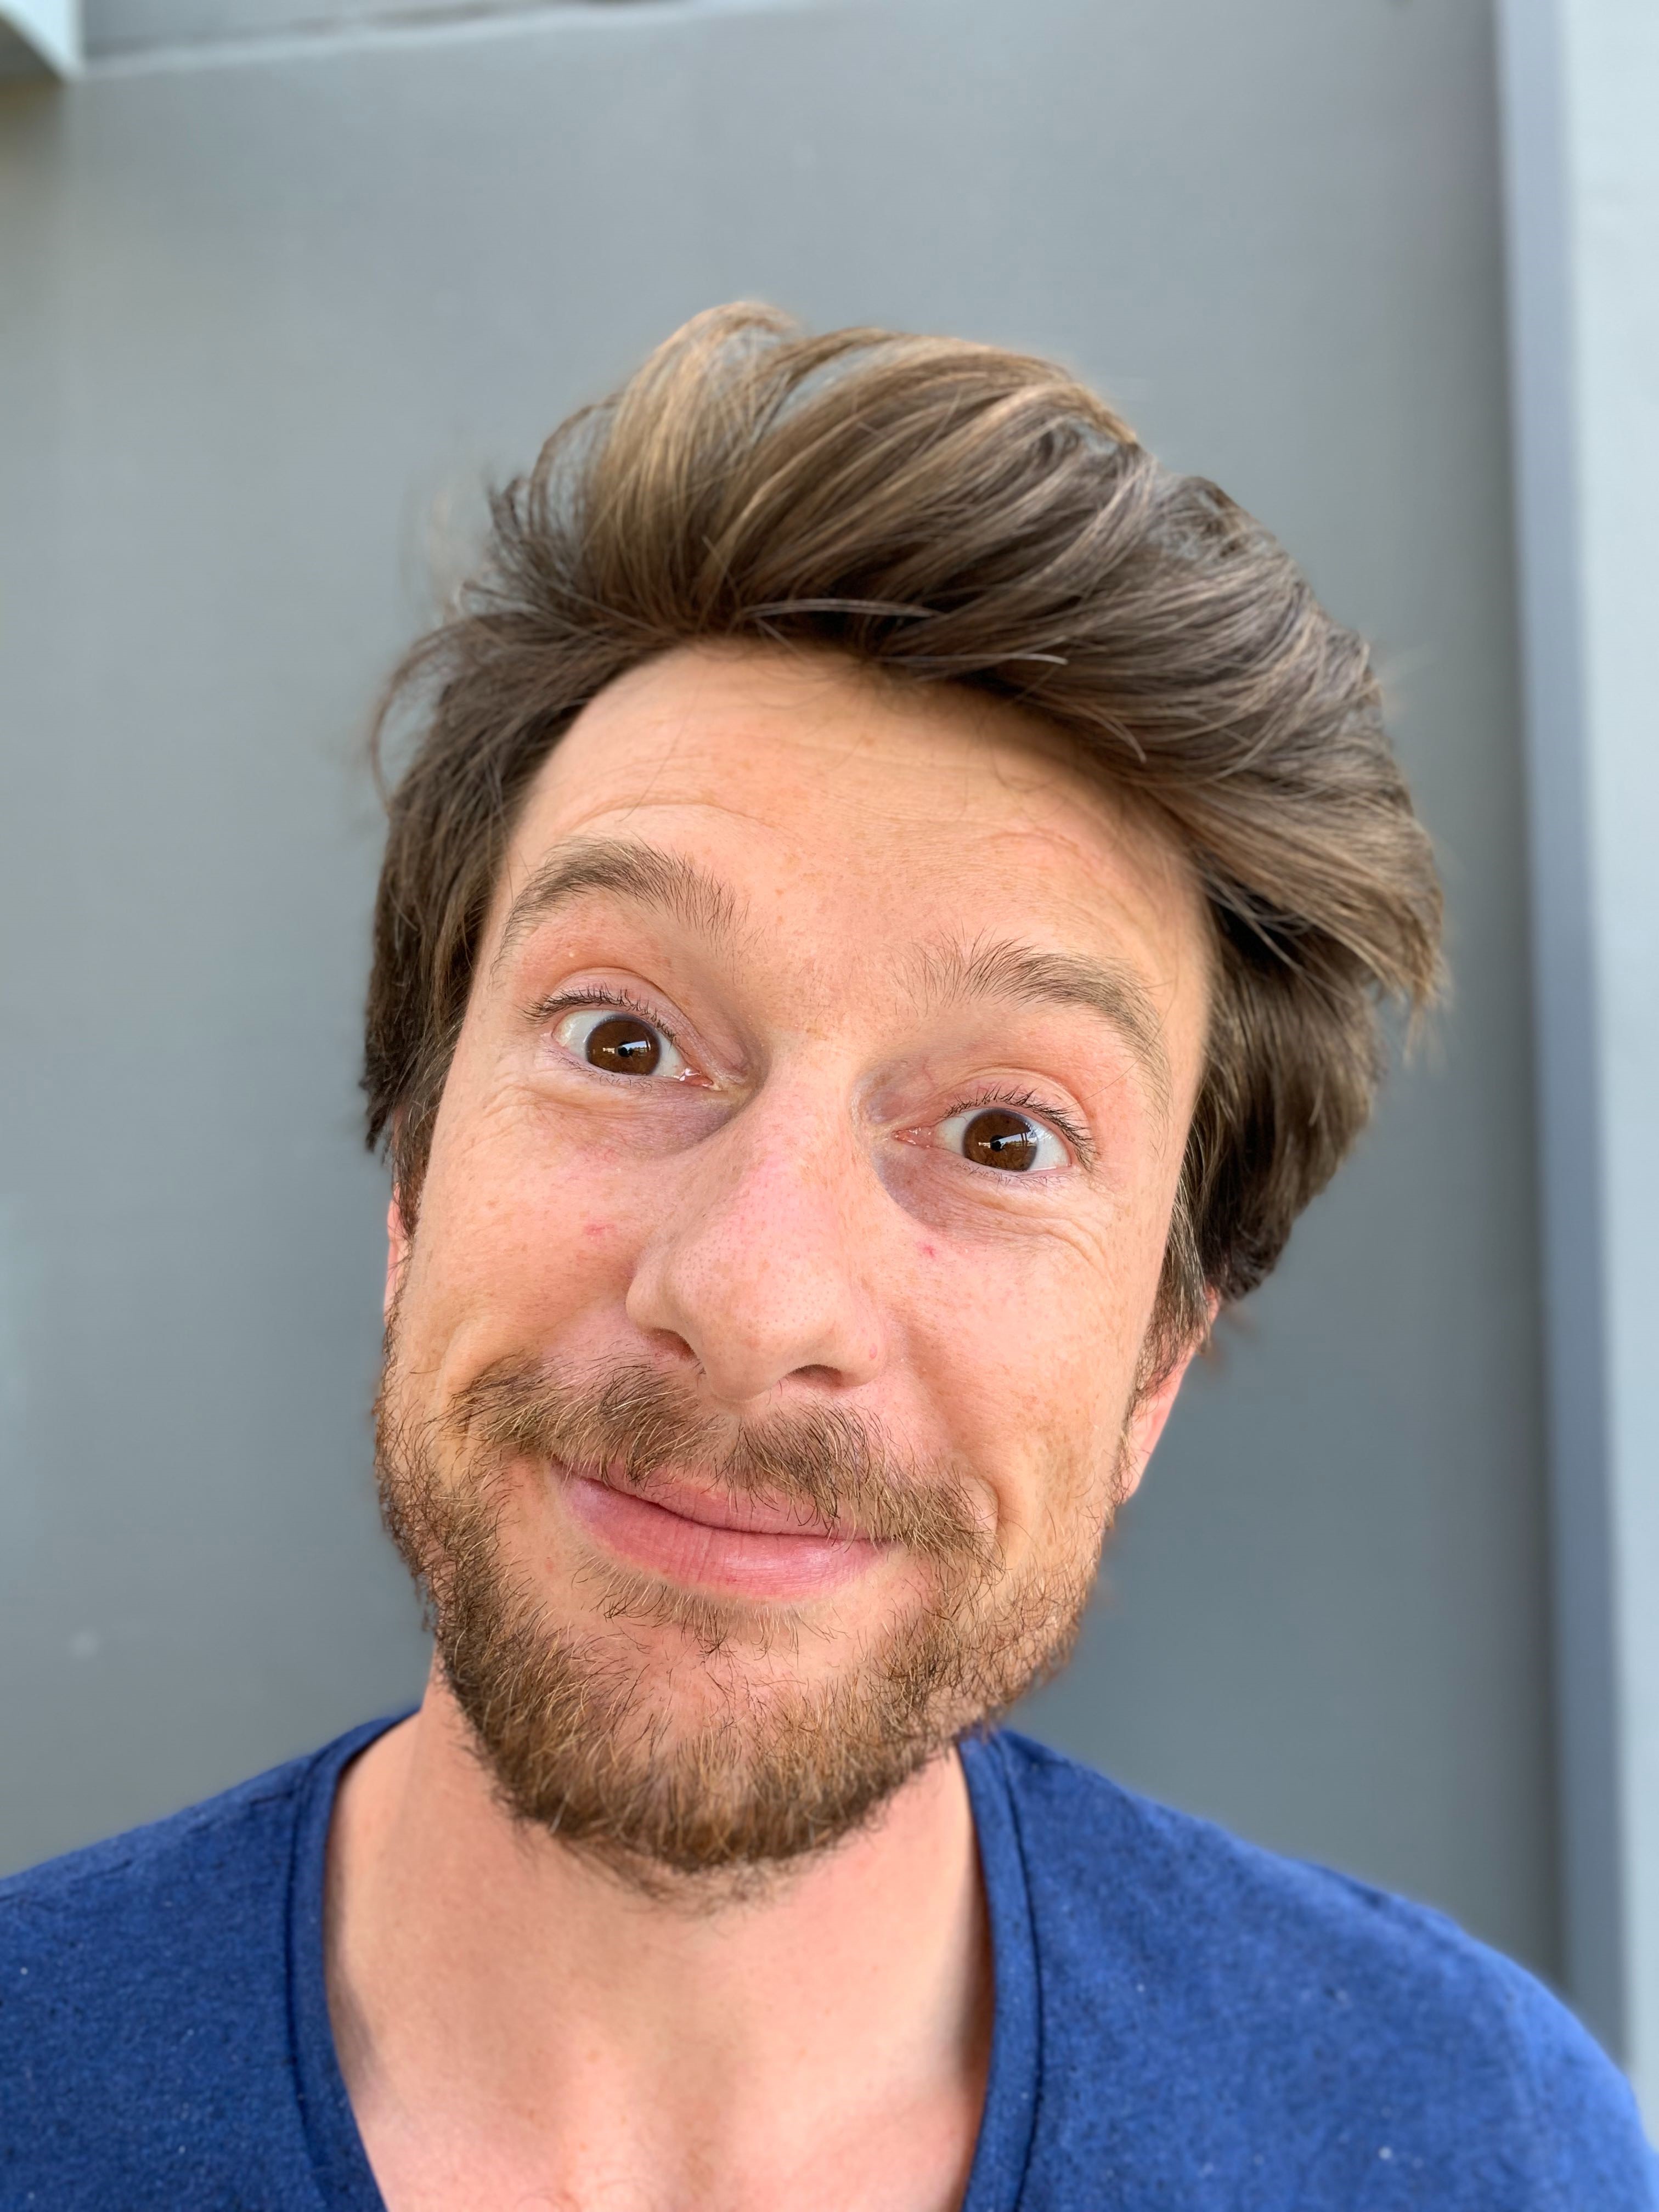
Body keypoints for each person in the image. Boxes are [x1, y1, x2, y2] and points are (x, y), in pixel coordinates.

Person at [2, 304, 1651, 2211]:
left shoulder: (1475, 2149)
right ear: (412, 1178)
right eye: (624, 1041)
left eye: (1005, 1136)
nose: (753, 1297)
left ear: (1157, 1370)